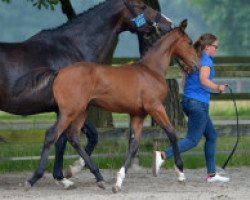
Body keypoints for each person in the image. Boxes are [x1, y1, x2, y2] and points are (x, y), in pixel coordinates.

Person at [152, 33, 230, 183]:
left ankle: (211, 175)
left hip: (188, 102)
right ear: (207, 47)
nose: (217, 49)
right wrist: (218, 87)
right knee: (193, 139)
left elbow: (183, 84)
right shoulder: (206, 61)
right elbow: (203, 80)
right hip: (198, 104)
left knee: (212, 136)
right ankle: (162, 155)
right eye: (215, 47)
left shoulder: (192, 59)